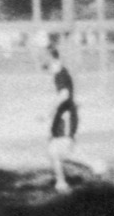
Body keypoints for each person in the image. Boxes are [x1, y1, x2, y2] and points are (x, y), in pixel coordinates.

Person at [45, 44, 105, 193]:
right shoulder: (59, 73)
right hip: (63, 116)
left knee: (63, 152)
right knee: (53, 150)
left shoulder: (60, 74)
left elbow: (64, 95)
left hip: (65, 118)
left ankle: (94, 164)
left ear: (50, 58)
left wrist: (50, 112)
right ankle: (61, 184)